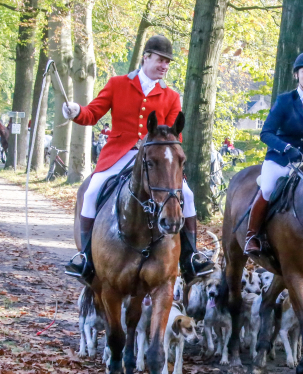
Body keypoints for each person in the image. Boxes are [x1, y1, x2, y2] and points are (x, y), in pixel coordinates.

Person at [62, 35, 214, 285]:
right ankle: (86, 257)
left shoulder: (171, 96)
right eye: (160, 60)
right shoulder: (117, 84)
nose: (164, 66)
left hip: (155, 160)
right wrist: (77, 111)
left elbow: (174, 135)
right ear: (146, 57)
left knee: (187, 194)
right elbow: (93, 113)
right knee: (90, 193)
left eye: (168, 62)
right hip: (119, 155)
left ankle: (190, 257)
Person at [244, 52, 303, 255]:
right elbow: (266, 133)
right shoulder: (284, 101)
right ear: (296, 75)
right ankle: (252, 235)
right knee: (267, 188)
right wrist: (286, 148)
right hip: (280, 159)